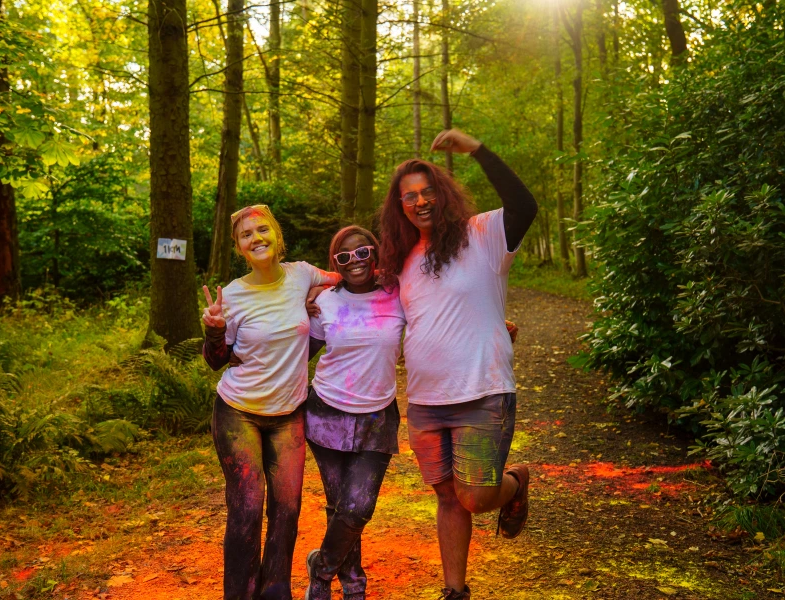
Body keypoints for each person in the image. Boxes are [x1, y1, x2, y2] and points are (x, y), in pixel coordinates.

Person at [377, 129, 538, 600]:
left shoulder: (484, 234)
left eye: (428, 192)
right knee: (448, 498)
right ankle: (454, 590)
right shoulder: (402, 259)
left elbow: (524, 205)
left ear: (443, 194)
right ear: (400, 206)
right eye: (410, 196)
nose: (420, 201)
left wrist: (478, 150)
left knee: (476, 497)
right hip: (426, 401)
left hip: (483, 390)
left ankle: (516, 482)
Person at [201, 204, 340, 600]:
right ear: (240, 248)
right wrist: (214, 331)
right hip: (238, 412)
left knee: (287, 510)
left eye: (262, 230)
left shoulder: (302, 274)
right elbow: (216, 362)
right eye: (247, 235)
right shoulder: (233, 296)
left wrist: (319, 292)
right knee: (247, 508)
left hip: (289, 414)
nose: (256, 238)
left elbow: (347, 278)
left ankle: (276, 590)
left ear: (277, 237)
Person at [302, 226, 405, 600]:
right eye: (344, 257)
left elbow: (438, 319)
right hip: (326, 414)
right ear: (335, 264)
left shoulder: (398, 294)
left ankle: (321, 569)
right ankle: (353, 586)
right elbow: (301, 354)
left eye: (362, 252)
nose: (355, 261)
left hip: (378, 417)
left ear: (374, 253)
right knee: (340, 505)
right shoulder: (324, 301)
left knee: (359, 506)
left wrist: (490, 327)